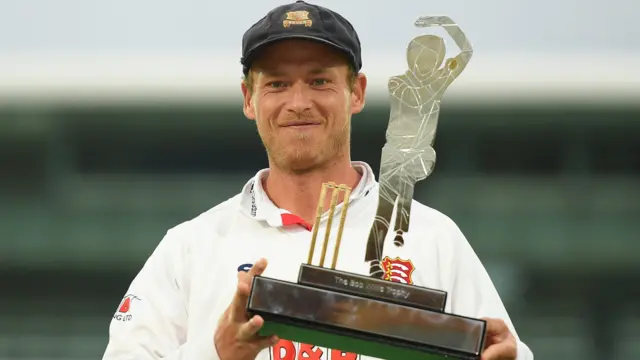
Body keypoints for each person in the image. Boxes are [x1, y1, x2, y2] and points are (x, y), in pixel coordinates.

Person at [101, 1, 534, 360]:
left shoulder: (433, 238)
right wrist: (218, 352)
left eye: (320, 80)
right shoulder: (191, 248)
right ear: (249, 99)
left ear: (357, 92)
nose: (299, 102)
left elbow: (503, 350)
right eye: (277, 83)